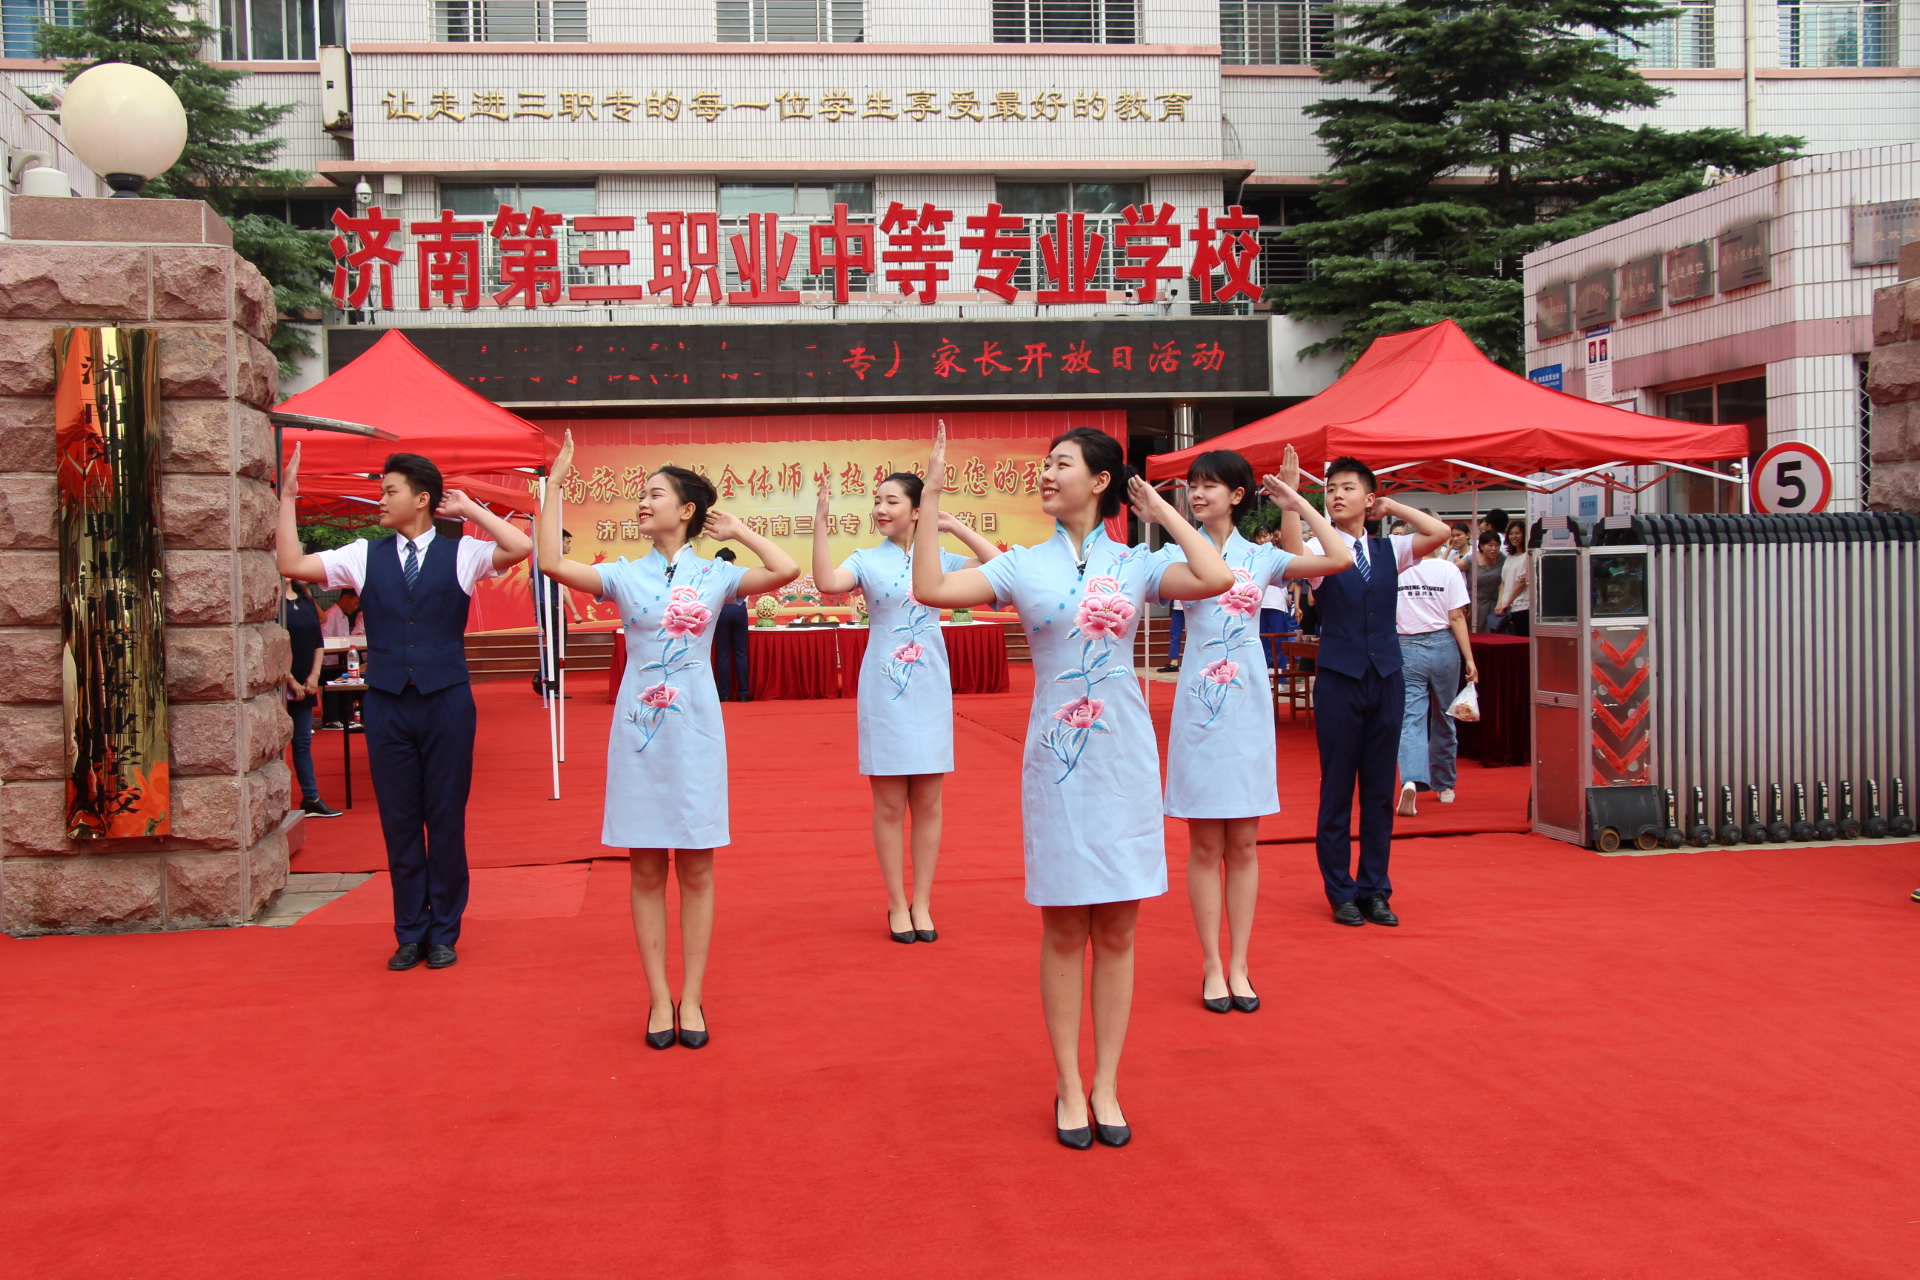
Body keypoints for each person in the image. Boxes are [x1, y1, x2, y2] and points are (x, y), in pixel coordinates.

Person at [911, 422, 1233, 1150]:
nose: (1046, 475)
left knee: (1118, 928)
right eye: (1044, 464)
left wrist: (1165, 513)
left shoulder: (1138, 565)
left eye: (1061, 464)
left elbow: (1214, 579)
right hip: (1056, 765)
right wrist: (931, 498)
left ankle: (1107, 1083)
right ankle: (1066, 1083)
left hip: (1122, 762)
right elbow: (930, 588)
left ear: (1099, 482)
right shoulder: (1023, 566)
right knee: (1064, 928)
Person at [535, 430, 798, 1051]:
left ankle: (695, 995)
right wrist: (558, 485)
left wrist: (736, 533)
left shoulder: (714, 575)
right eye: (641, 494)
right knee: (646, 867)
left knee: (699, 869)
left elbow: (785, 570)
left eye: (655, 494)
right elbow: (550, 563)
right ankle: (658, 996)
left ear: (686, 511)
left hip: (698, 733)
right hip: (639, 736)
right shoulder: (624, 576)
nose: (642, 502)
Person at [277, 448, 532, 971]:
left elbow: (521, 545)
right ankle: (410, 930)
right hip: (389, 702)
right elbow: (290, 564)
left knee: (444, 818)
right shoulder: (362, 554)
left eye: (390, 490)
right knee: (399, 820)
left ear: (422, 499)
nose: (380, 499)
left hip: (447, 702)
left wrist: (470, 510)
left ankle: (444, 931)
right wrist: (285, 500)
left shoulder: (460, 552)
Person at [1157, 450, 1351, 1014]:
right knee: (1204, 843)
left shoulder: (1263, 559)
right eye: (1193, 486)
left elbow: (1337, 557)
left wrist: (1297, 502)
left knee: (1243, 842)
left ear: (1238, 496)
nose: (1198, 494)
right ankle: (1211, 965)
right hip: (1198, 709)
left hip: (1246, 711)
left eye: (1211, 486)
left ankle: (1240, 962)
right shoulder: (1174, 555)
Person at [811, 470, 1000, 944]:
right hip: (883, 688)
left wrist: (953, 527)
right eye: (877, 501)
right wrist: (820, 522)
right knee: (890, 804)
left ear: (918, 510)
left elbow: (1001, 566)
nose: (880, 509)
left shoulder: (940, 560)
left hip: (930, 685)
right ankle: (897, 902)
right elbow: (825, 582)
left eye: (891, 501)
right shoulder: (866, 560)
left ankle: (924, 903)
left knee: (930, 802)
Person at [1277, 449, 1449, 927]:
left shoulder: (1389, 550)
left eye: (1347, 488)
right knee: (1337, 790)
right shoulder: (1319, 550)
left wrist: (1391, 508)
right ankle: (1341, 891)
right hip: (1338, 679)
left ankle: (1376, 888)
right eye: (1331, 489)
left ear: (1368, 497)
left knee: (1377, 792)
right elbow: (1292, 551)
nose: (1336, 495)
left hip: (1388, 678)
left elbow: (1439, 533)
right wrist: (1294, 499)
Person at [1394, 542, 1479, 817]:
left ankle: (1411, 779)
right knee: (1445, 715)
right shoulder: (1448, 569)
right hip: (1444, 646)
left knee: (1411, 718)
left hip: (1407, 646)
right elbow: (1457, 616)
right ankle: (1445, 785)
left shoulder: (1397, 570)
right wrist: (1469, 658)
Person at [283, 578, 341, 819]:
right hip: (281, 683)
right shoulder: (271, 603)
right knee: (274, 747)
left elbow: (318, 640)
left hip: (306, 680)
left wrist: (315, 675)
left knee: (303, 742)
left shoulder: (305, 599)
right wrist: (288, 679)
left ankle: (311, 797)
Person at [532, 528, 585, 697]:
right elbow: (563, 590)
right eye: (567, 542)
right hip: (554, 606)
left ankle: (542, 676)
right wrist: (575, 612)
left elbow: (530, 585)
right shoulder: (555, 562)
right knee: (557, 647)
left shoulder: (538, 561)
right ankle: (548, 683)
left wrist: (536, 606)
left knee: (553, 645)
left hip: (542, 606)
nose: (569, 546)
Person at [710, 547, 751, 702]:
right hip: (739, 609)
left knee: (723, 654)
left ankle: (724, 694)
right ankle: (743, 693)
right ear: (734, 559)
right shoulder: (740, 571)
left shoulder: (712, 572)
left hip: (721, 610)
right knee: (741, 653)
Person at [1494, 521, 1532, 637]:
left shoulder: (1528, 556)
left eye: (1517, 533)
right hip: (1507, 607)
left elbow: (1522, 582)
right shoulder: (1509, 557)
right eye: (1511, 533)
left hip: (1522, 605)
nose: (1514, 536)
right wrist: (1500, 603)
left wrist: (1508, 602)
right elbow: (1504, 581)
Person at [1470, 530, 1505, 633]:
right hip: (1476, 608)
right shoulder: (1472, 559)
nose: (1494, 549)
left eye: (1497, 545)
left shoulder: (1502, 559)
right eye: (1490, 545)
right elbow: (1453, 571)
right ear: (1481, 546)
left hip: (1496, 607)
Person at [1154, 599, 1185, 674]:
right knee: (1174, 633)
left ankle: (1194, 662)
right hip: (1177, 606)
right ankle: (1174, 663)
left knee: (1193, 634)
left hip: (1192, 607)